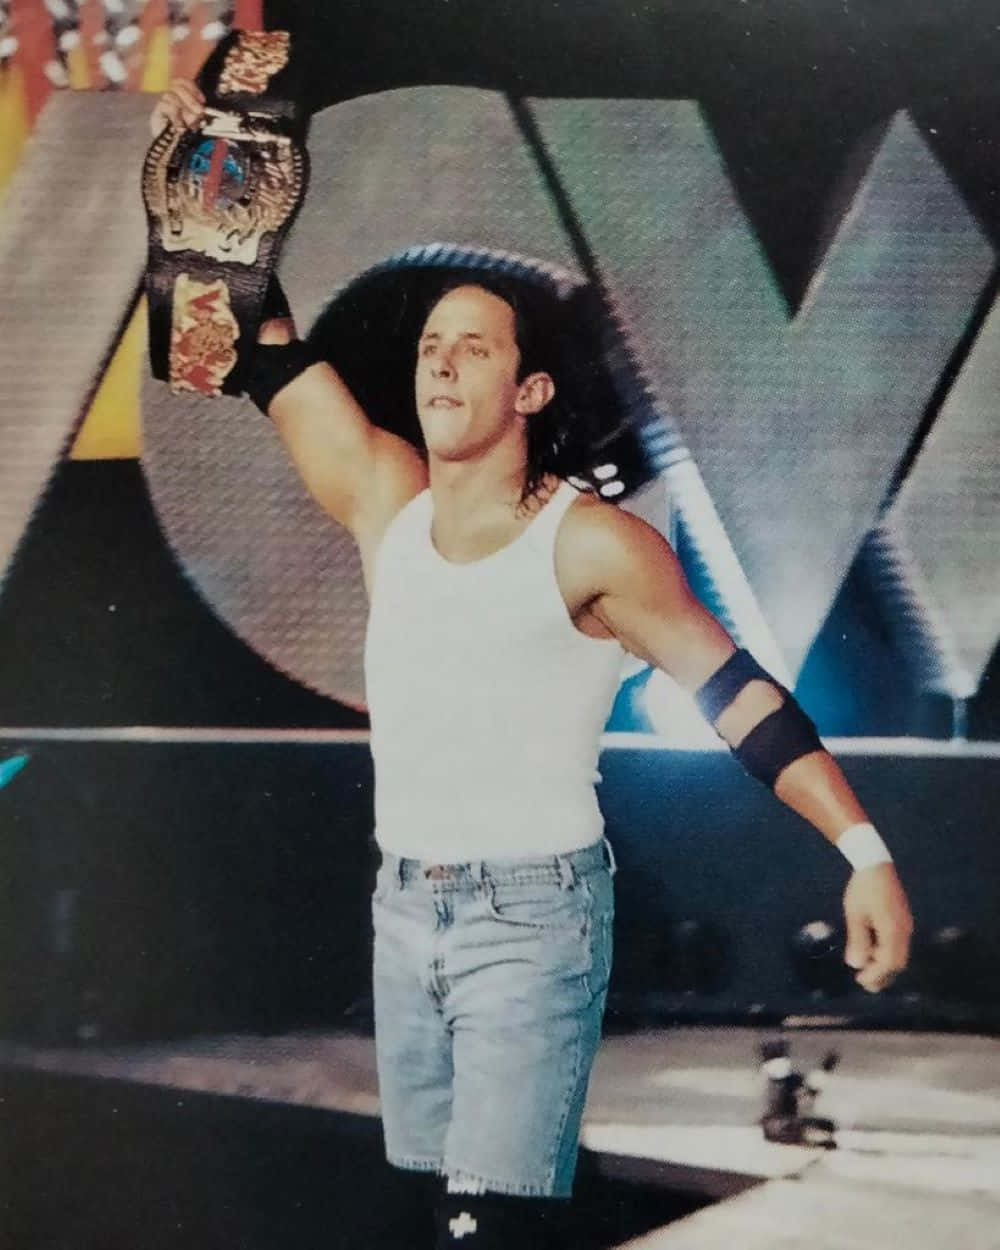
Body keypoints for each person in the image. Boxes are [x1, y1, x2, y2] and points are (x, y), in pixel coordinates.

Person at [151, 81, 914, 1250]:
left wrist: (863, 850)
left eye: (474, 347)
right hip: (404, 903)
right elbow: (254, 348)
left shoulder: (594, 545)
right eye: (429, 346)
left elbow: (741, 698)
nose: (442, 364)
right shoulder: (383, 495)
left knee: (486, 1220)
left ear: (530, 388)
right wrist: (203, 215)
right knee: (429, 1210)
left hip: (533, 913)